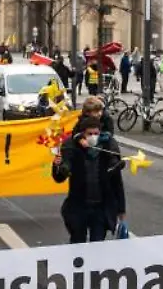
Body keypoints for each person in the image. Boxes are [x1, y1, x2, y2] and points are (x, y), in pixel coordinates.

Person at [51, 102, 126, 243]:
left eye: (96, 134)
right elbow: (59, 177)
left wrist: (121, 208)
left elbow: (116, 181)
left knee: (97, 245)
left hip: (100, 208)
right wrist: (58, 166)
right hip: (79, 207)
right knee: (78, 243)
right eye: (89, 134)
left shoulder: (108, 146)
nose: (93, 136)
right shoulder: (72, 146)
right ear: (83, 134)